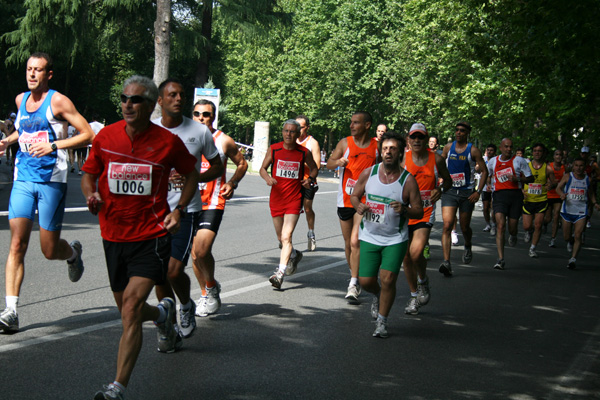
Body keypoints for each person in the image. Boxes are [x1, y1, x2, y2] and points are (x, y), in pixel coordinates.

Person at [82, 76, 200, 400]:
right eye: (124, 99)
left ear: (150, 105)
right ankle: (162, 314)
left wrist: (178, 212)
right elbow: (89, 175)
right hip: (113, 235)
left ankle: (117, 387)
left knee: (132, 307)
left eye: (135, 100)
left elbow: (191, 172)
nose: (128, 105)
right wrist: (92, 194)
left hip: (151, 235)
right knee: (128, 310)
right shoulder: (105, 137)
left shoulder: (167, 142)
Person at [0, 52, 94, 333]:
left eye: (37, 70)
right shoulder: (20, 100)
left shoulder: (58, 101)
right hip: (23, 179)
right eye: (29, 69)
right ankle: (11, 311)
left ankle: (72, 254)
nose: (31, 74)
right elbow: (23, 130)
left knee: (48, 249)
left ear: (48, 74)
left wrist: (55, 146)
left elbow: (87, 133)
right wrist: (7, 141)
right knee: (17, 243)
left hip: (52, 180)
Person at [152, 81, 224, 338]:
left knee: (173, 270)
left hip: (187, 210)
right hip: (153, 212)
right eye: (172, 95)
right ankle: (168, 325)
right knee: (159, 274)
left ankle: (185, 305)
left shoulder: (199, 131)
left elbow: (217, 167)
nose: (178, 99)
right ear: (159, 100)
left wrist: (196, 179)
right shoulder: (149, 129)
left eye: (182, 94)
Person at [351, 131, 423, 338]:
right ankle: (377, 295)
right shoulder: (369, 173)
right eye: (384, 148)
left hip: (395, 238)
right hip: (370, 236)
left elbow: (419, 210)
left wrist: (406, 209)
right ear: (380, 152)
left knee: (388, 278)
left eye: (392, 149)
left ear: (400, 152)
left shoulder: (407, 180)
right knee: (365, 281)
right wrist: (359, 206)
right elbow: (355, 195)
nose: (388, 152)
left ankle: (382, 322)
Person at [191, 99, 247, 316]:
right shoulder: (185, 137)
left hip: (213, 201)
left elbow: (242, 163)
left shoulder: (223, 140)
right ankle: (206, 293)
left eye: (206, 114)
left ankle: (211, 287)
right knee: (195, 255)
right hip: (188, 202)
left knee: (202, 250)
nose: (201, 118)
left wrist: (232, 183)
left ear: (213, 117)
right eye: (197, 114)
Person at [326, 111, 378, 301]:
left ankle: (354, 283)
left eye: (356, 123)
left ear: (367, 125)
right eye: (351, 122)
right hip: (345, 200)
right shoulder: (345, 143)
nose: (352, 125)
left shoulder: (376, 147)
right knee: (348, 243)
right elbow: (329, 164)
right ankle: (354, 273)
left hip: (365, 201)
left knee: (356, 241)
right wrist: (338, 162)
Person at [260, 119, 318, 289]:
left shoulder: (303, 152)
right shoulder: (274, 149)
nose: (288, 134)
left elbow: (314, 168)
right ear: (282, 132)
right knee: (280, 238)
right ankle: (294, 254)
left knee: (286, 236)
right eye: (286, 131)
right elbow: (263, 168)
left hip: (294, 199)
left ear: (298, 133)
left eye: (293, 131)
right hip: (276, 198)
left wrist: (310, 179)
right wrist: (268, 178)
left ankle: (280, 273)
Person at [400, 123, 451, 314]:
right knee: (406, 256)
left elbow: (448, 180)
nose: (417, 141)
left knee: (415, 252)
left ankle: (423, 280)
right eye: (413, 137)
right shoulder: (402, 159)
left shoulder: (436, 159)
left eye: (420, 137)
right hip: (405, 212)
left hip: (425, 211)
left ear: (426, 139)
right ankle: (414, 296)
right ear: (408, 139)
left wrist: (441, 189)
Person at [440, 122, 488, 273]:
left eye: (462, 131)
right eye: (457, 130)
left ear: (467, 133)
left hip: (467, 193)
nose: (458, 133)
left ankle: (467, 244)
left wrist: (478, 191)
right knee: (447, 225)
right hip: (450, 191)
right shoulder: (448, 147)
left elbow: (485, 172)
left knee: (465, 226)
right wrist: (440, 179)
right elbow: (440, 163)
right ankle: (446, 262)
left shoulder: (473, 150)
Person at [486, 138, 534, 270]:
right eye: (506, 147)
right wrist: (489, 185)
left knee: (512, 227)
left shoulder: (519, 161)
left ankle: (513, 235)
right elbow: (488, 175)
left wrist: (518, 178)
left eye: (510, 147)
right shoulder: (493, 161)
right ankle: (500, 259)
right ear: (500, 148)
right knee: (501, 225)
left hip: (515, 196)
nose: (508, 149)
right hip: (499, 196)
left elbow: (531, 178)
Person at [556, 157, 600, 269]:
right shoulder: (568, 176)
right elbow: (558, 188)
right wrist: (561, 194)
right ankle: (570, 242)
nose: (578, 168)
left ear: (584, 167)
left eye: (581, 166)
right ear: (573, 166)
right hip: (567, 210)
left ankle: (573, 259)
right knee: (566, 237)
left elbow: (590, 193)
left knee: (578, 235)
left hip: (581, 211)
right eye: (576, 165)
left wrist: (595, 203)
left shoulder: (587, 179)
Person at [521, 143, 556, 257]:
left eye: (539, 151)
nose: (537, 153)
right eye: (535, 150)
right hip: (528, 200)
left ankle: (533, 248)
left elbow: (554, 182)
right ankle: (528, 231)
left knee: (538, 225)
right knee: (527, 226)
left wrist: (550, 185)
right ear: (532, 153)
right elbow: (520, 180)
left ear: (543, 153)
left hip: (541, 200)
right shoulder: (526, 166)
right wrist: (522, 191)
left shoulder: (548, 168)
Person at [296, 114, 321, 251]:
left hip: (308, 181)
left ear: (307, 128)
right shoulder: (290, 140)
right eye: (296, 126)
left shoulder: (312, 143)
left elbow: (316, 165)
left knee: (307, 208)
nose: (298, 129)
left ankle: (311, 233)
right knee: (291, 210)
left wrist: (300, 160)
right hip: (293, 181)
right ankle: (286, 238)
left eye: (301, 127)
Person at [545, 149, 567, 247]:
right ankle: (545, 224)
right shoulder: (549, 167)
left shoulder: (565, 168)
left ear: (563, 157)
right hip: (549, 194)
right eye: (556, 154)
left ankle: (553, 239)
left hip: (559, 195)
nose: (558, 156)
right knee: (548, 218)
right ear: (554, 156)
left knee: (556, 216)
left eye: (560, 155)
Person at [580, 146, 599, 228]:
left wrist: (592, 179)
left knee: (590, 204)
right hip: (579, 187)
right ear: (581, 154)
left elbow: (599, 176)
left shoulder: (593, 165)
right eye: (583, 153)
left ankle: (588, 219)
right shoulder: (577, 163)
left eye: (586, 154)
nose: (584, 155)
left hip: (589, 186)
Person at [480, 143, 497, 235]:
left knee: (493, 207)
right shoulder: (482, 160)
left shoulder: (496, 160)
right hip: (485, 187)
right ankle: (488, 224)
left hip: (495, 187)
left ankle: (494, 225)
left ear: (495, 152)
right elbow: (478, 170)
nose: (489, 152)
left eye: (491, 150)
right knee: (485, 207)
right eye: (488, 150)